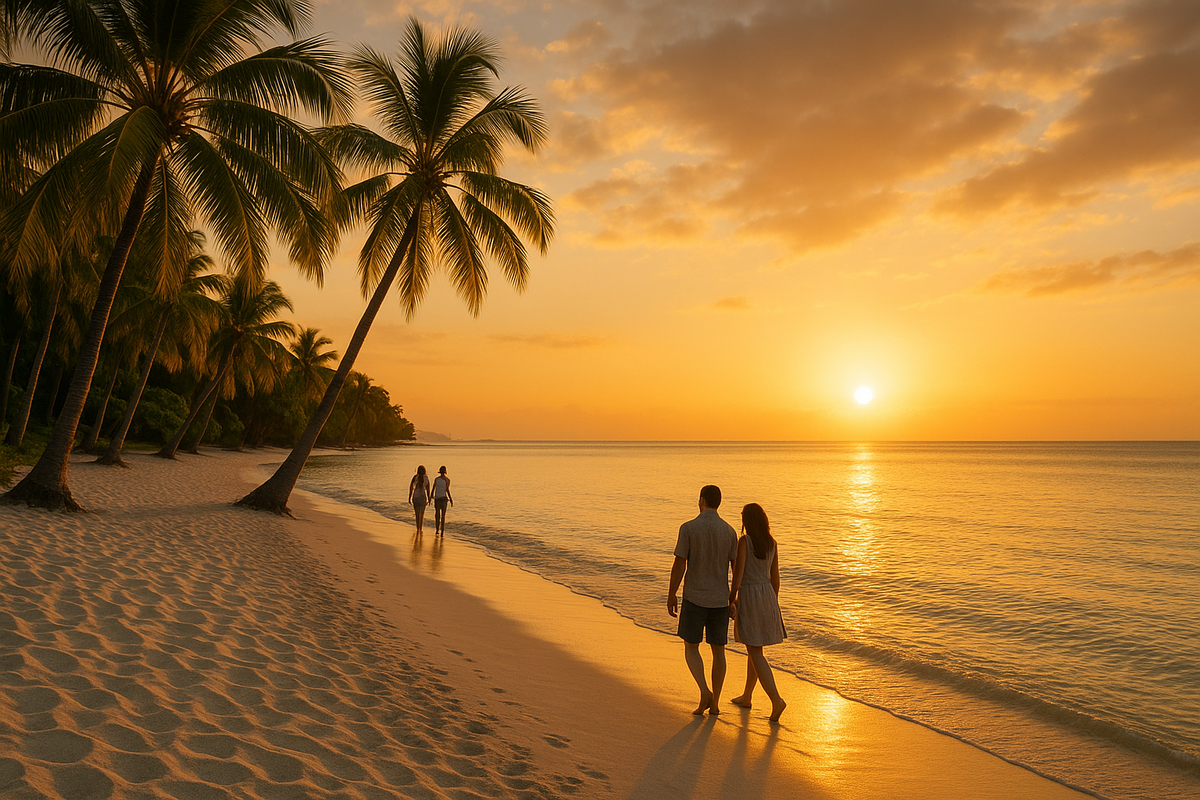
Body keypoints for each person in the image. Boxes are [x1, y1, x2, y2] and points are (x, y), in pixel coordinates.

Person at [668, 484, 739, 716]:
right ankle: (715, 702)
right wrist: (733, 597)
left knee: (691, 647)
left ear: (701, 500)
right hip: (720, 598)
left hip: (695, 597)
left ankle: (704, 691)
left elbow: (680, 563)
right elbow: (736, 568)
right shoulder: (729, 531)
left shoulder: (689, 528)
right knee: (719, 652)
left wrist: (671, 593)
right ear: (719, 502)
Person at [729, 502, 788, 722]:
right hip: (768, 596)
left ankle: (776, 700)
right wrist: (772, 602)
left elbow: (739, 573)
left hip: (751, 594)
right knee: (754, 648)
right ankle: (747, 696)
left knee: (755, 651)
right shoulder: (772, 543)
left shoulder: (745, 542)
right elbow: (776, 579)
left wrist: (732, 596)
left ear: (747, 521)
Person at [408, 465, 431, 534]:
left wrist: (409, 497)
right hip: (423, 497)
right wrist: (429, 499)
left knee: (417, 514)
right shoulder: (426, 478)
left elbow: (411, 488)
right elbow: (428, 490)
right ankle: (420, 528)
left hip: (416, 497)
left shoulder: (415, 477)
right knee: (422, 514)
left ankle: (417, 528)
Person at [432, 466, 453, 536]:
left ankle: (440, 530)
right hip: (440, 499)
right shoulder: (441, 480)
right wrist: (451, 499)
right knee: (440, 515)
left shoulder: (444, 480)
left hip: (441, 499)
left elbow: (446, 490)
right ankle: (439, 530)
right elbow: (446, 490)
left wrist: (430, 496)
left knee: (440, 515)